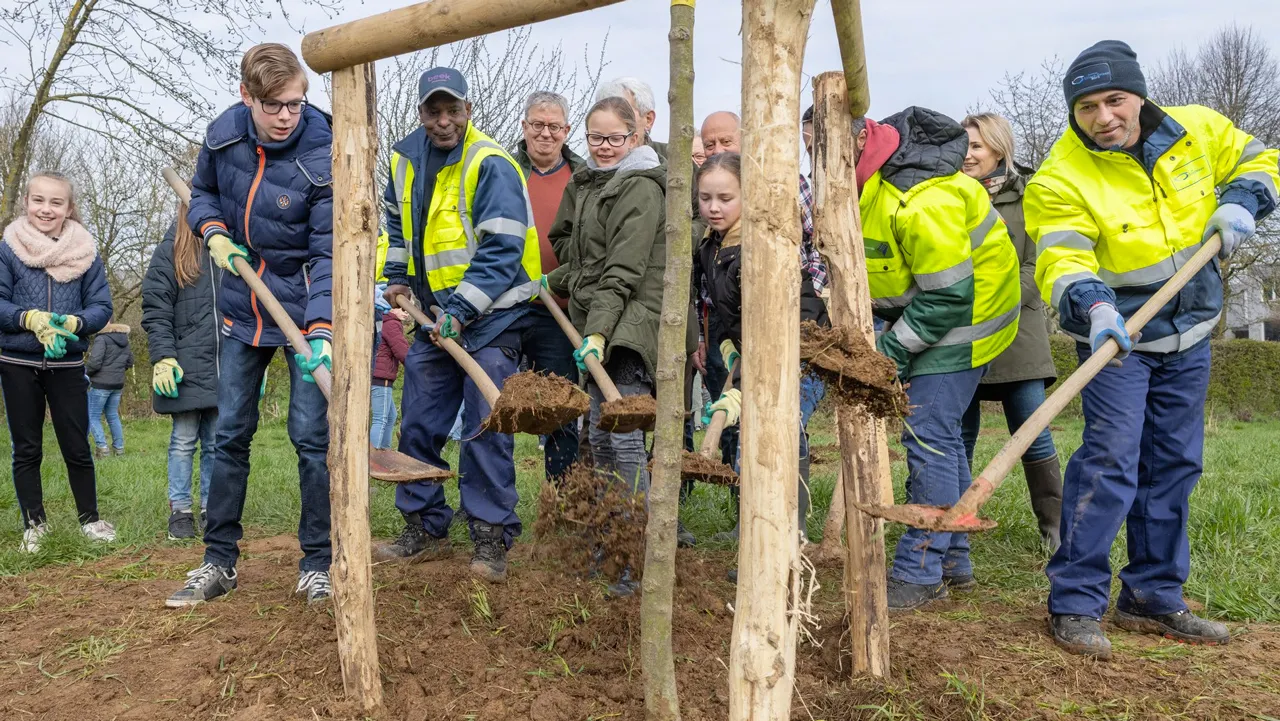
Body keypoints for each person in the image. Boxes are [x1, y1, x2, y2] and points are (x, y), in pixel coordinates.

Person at [1026, 40, 1278, 658]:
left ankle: (1153, 596)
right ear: (1074, 113)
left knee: (1174, 462)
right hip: (1119, 337)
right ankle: (1075, 601)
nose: (1104, 116)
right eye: (1087, 107)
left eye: (1115, 99)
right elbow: (1061, 256)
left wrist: (1245, 199)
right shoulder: (1061, 174)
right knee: (1110, 460)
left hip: (1189, 330)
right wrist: (1096, 306)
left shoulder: (1196, 130)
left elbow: (1263, 157)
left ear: (1137, 93)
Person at [166, 43, 335, 607]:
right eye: (275, 105)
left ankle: (318, 564)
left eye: (296, 102)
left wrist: (323, 331)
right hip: (243, 305)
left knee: (312, 439)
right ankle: (218, 561)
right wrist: (211, 227)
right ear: (248, 96)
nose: (288, 114)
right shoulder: (224, 135)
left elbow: (328, 251)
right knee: (230, 432)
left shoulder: (327, 148)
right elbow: (204, 192)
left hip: (306, 306)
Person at [375, 66, 542, 584]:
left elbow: (502, 249)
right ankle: (423, 525)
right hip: (432, 320)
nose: (443, 120)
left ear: (468, 111)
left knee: (483, 426)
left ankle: (490, 537)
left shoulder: (490, 163)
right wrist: (399, 277)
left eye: (453, 110)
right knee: (420, 422)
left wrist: (461, 311)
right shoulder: (404, 163)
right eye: (433, 110)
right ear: (421, 112)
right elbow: (396, 228)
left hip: (492, 319)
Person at [852, 106, 1020, 611]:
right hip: (937, 310)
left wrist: (890, 351)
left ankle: (920, 572)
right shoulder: (874, 184)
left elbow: (948, 297)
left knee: (928, 434)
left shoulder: (922, 199)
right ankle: (954, 560)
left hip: (967, 320)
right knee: (941, 437)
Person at [545, 96, 666, 594]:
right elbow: (588, 262)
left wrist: (598, 332)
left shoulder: (638, 188)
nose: (605, 146)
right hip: (602, 322)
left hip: (631, 328)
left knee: (623, 439)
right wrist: (548, 281)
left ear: (636, 137)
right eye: (596, 138)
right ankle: (609, 541)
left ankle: (638, 551)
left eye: (616, 137)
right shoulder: (595, 183)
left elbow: (623, 271)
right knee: (597, 438)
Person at [694, 152, 828, 574]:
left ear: (748, 197)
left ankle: (790, 541)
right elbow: (728, 313)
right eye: (705, 198)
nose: (714, 207)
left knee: (780, 436)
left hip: (797, 353)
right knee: (754, 443)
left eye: (725, 198)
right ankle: (760, 539)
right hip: (752, 351)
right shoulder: (712, 247)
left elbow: (779, 320)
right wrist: (731, 349)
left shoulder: (761, 246)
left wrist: (743, 387)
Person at [958, 112, 1062, 553]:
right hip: (960, 333)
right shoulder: (949, 196)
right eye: (963, 146)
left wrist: (994, 303)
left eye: (976, 146)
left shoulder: (1031, 193)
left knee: (1031, 428)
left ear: (998, 148)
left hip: (1018, 332)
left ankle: (1056, 531)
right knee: (956, 431)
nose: (967, 155)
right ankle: (954, 523)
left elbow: (1035, 263)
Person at [0, 170, 116, 553]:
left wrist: (75, 322)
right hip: (17, 360)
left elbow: (102, 306)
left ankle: (90, 520)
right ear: (26, 202)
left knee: (76, 445)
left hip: (67, 363)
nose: (45, 209)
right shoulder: (8, 248)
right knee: (27, 447)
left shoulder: (86, 252)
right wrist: (28, 318)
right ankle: (35, 525)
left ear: (69, 208)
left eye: (56, 202)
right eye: (38, 200)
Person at [512, 90, 584, 484]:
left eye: (553, 126)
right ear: (524, 127)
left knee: (559, 406)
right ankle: (485, 502)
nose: (545, 133)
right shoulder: (504, 169)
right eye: (537, 125)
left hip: (558, 308)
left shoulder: (583, 177)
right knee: (492, 402)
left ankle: (563, 494)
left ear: (566, 130)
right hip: (506, 306)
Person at [143, 203, 225, 540]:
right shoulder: (170, 251)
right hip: (185, 366)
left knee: (217, 442)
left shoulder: (229, 249)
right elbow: (155, 308)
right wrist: (163, 356)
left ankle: (210, 506)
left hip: (225, 365)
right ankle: (180, 509)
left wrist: (255, 367)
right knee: (183, 441)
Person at [85, 319, 133, 458]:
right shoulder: (124, 339)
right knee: (112, 415)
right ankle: (119, 449)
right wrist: (116, 371)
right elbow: (130, 361)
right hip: (117, 384)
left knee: (92, 416)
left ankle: (102, 448)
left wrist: (85, 372)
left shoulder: (102, 339)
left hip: (100, 384)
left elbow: (95, 363)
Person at [595, 77, 666, 159]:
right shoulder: (583, 171)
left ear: (648, 119)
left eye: (623, 113)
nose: (612, 121)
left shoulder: (677, 161)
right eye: (605, 115)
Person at [371, 305, 409, 449]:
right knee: (380, 418)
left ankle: (384, 451)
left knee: (391, 415)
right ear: (392, 309)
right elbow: (402, 351)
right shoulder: (392, 324)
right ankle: (374, 456)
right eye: (403, 309)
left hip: (377, 375)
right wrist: (416, 367)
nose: (406, 313)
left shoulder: (383, 321)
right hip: (382, 377)